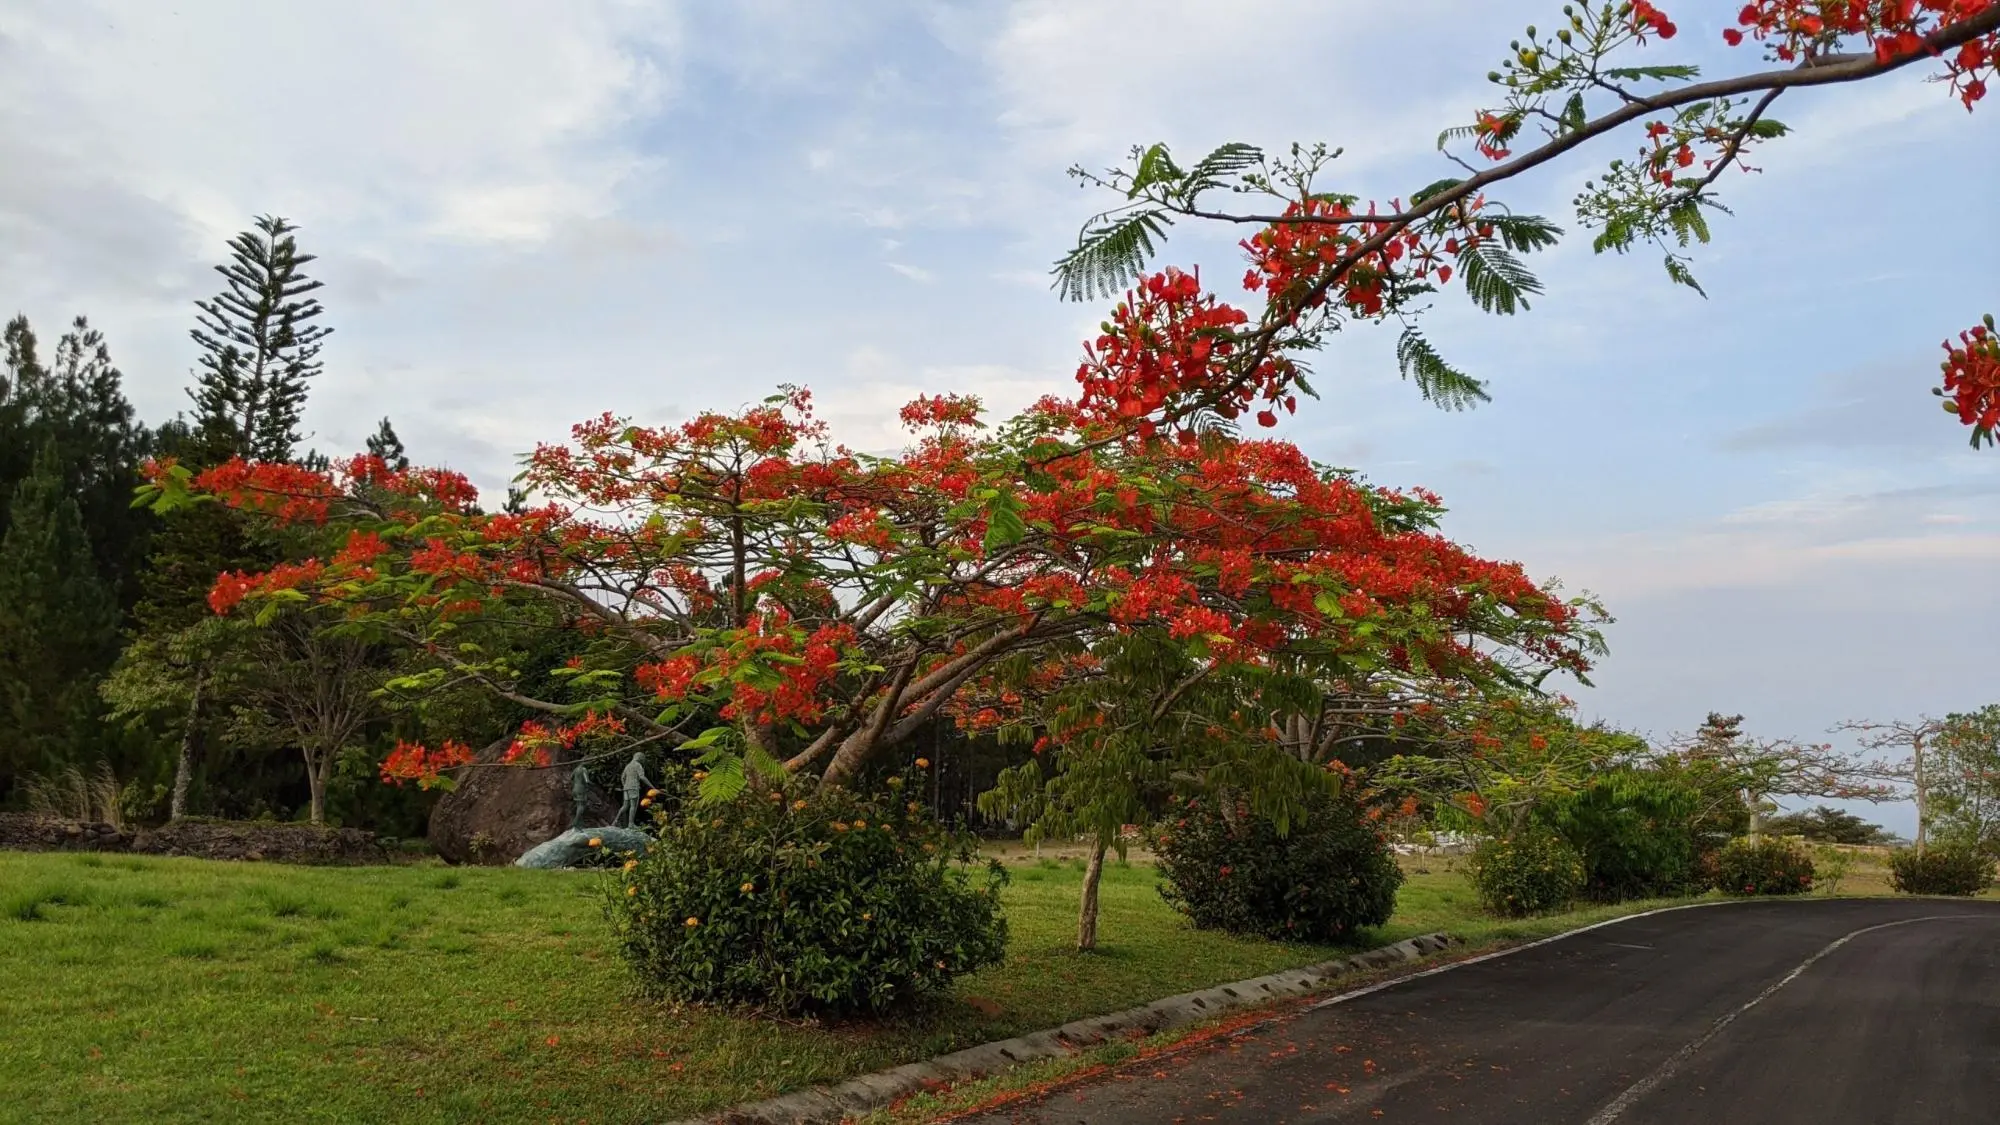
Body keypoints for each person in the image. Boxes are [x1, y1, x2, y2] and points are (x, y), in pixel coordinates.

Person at [618, 752, 654, 828]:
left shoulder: (628, 766)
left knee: (625, 806)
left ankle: (615, 821)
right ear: (640, 758)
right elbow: (642, 777)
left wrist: (625, 785)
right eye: (643, 759)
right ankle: (631, 824)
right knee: (633, 806)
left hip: (626, 788)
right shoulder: (638, 765)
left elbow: (622, 777)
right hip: (634, 787)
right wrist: (652, 787)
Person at [569, 761, 593, 832]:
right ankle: (575, 822)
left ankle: (580, 824)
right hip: (581, 789)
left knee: (578, 806)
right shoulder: (583, 769)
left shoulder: (576, 769)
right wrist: (592, 784)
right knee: (582, 806)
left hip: (575, 789)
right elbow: (587, 781)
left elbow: (571, 778)